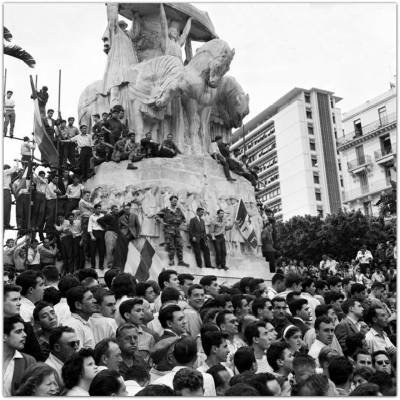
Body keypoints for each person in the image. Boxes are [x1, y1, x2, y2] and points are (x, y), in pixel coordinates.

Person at [3, 316, 36, 395]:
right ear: (4, 336)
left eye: (24, 331)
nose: (25, 335)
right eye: (18, 331)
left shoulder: (29, 361)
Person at [157, 195, 189, 267]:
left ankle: (181, 261)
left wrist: (183, 225)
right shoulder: (165, 210)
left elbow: (183, 219)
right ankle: (171, 261)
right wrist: (162, 222)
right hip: (168, 230)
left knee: (180, 245)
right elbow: (157, 216)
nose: (175, 202)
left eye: (176, 201)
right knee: (171, 246)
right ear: (170, 201)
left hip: (177, 230)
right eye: (174, 201)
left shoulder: (178, 210)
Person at [88, 203, 106, 269]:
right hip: (94, 233)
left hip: (101, 233)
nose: (99, 210)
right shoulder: (91, 216)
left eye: (100, 209)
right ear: (95, 209)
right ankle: (93, 266)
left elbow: (105, 225)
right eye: (98, 209)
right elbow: (89, 227)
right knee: (93, 250)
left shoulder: (103, 216)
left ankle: (101, 265)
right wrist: (91, 235)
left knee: (102, 250)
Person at [3, 160, 19, 228]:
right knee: (6, 208)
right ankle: (5, 223)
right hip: (5, 191)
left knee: (7, 208)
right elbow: (15, 169)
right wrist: (17, 162)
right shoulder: (5, 172)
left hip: (6, 191)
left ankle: (6, 223)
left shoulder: (6, 175)